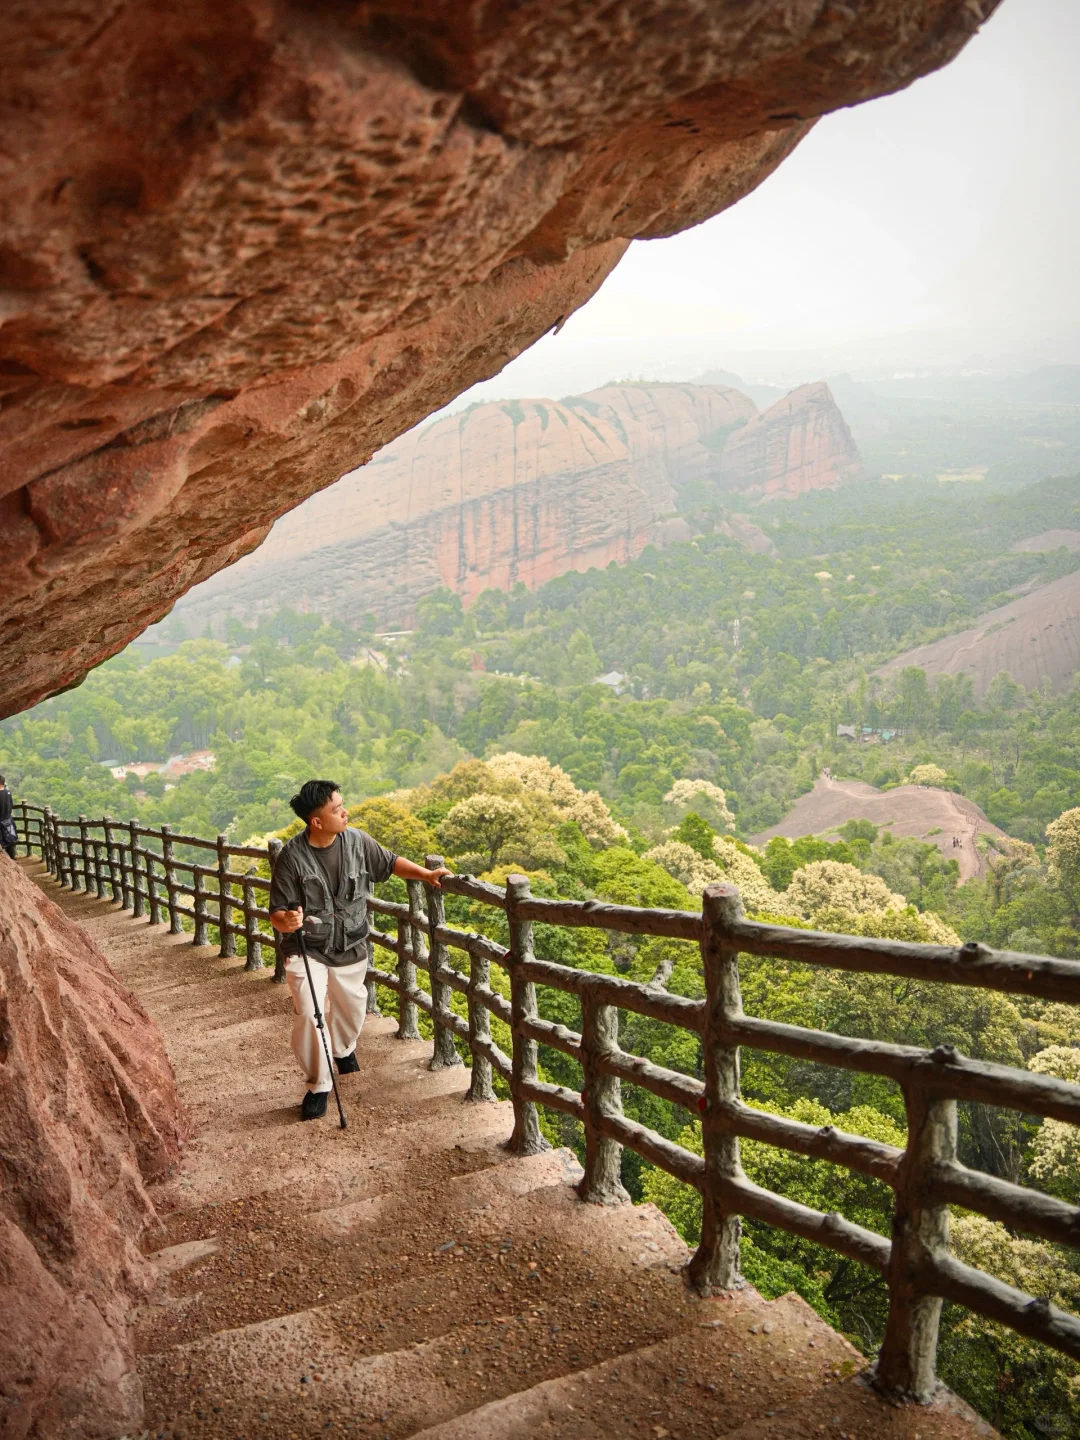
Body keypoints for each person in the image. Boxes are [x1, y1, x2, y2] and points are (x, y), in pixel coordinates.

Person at [268, 779, 451, 1121]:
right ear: (316, 821)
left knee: (353, 1008)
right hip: (308, 948)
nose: (345, 812)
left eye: (342, 805)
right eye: (337, 810)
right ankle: (318, 1085)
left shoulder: (357, 841)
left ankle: (343, 1050)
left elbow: (391, 862)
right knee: (310, 1012)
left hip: (351, 944)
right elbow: (276, 914)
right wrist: (287, 921)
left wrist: (426, 874)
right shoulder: (291, 858)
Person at [0, 777, 17, 861]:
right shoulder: (8, 793)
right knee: (10, 840)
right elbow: (11, 805)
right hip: (8, 819)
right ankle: (13, 858)